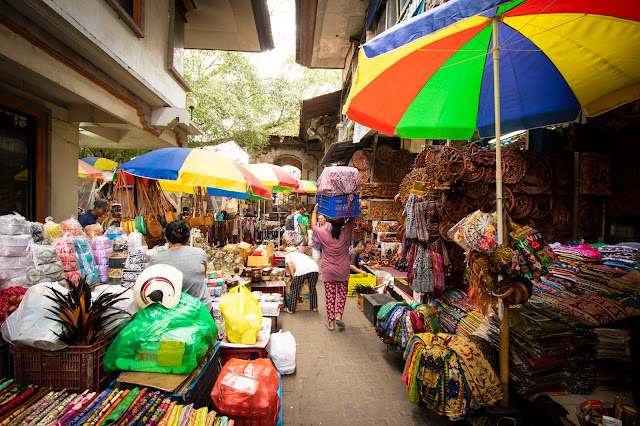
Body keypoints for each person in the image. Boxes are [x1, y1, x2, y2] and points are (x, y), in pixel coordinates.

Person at [149, 220, 213, 313]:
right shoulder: (200, 254)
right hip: (201, 310)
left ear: (166, 238)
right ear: (188, 238)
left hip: (171, 313)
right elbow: (202, 275)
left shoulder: (156, 259)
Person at [311, 204, 354, 331]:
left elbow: (313, 227)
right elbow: (352, 220)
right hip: (343, 270)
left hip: (328, 270)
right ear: (342, 224)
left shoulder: (323, 233)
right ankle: (339, 315)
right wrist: (350, 206)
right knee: (342, 294)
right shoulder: (346, 232)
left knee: (330, 296)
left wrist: (314, 211)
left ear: (330, 222)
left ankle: (331, 323)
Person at [283, 247, 319, 314]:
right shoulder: (301, 255)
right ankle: (314, 307)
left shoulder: (288, 255)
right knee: (312, 288)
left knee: (294, 289)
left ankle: (290, 309)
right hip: (315, 269)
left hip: (302, 270)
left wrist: (294, 277)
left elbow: (290, 266)